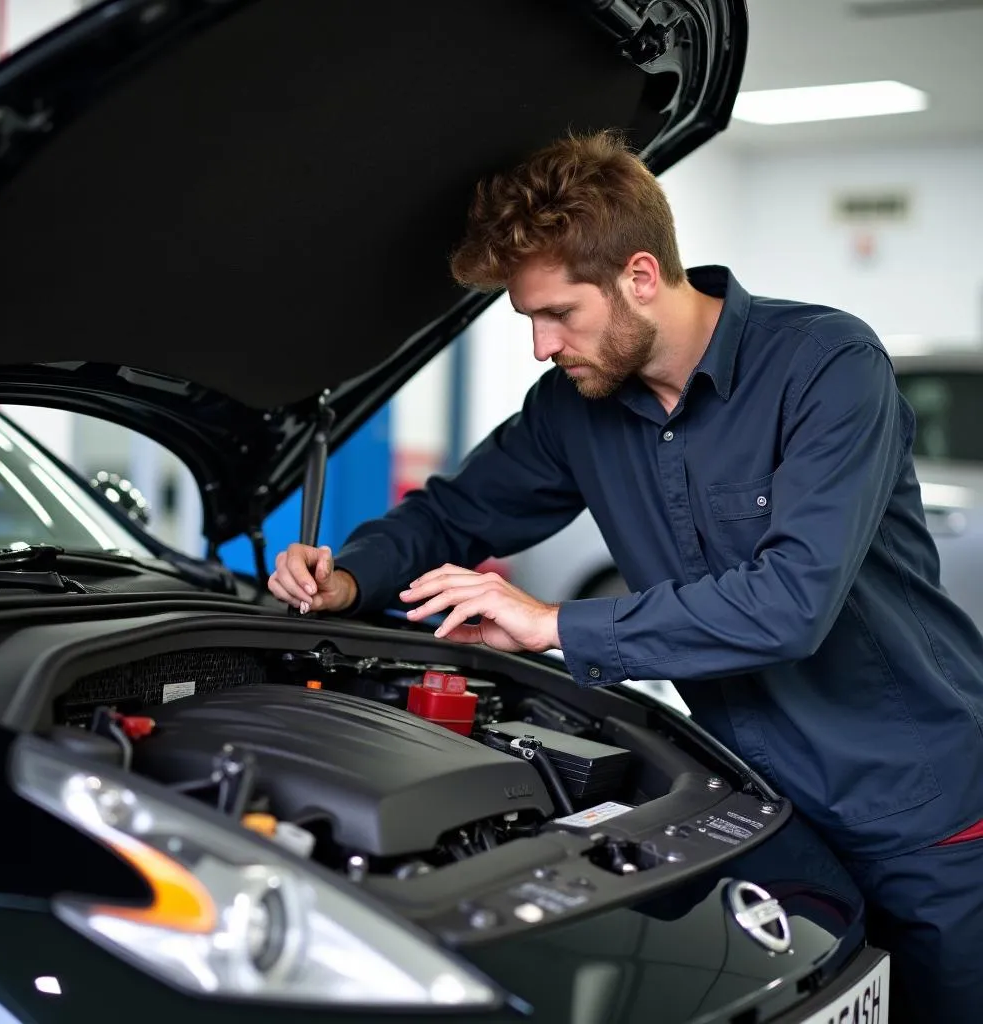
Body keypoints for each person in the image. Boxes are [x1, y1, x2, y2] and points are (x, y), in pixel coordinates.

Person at [268, 131, 983, 1023]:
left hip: (916, 802)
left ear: (640, 275)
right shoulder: (574, 409)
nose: (540, 346)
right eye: (528, 318)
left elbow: (794, 602)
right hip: (763, 801)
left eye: (559, 313)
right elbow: (454, 514)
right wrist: (348, 578)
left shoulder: (826, 366)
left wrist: (555, 626)